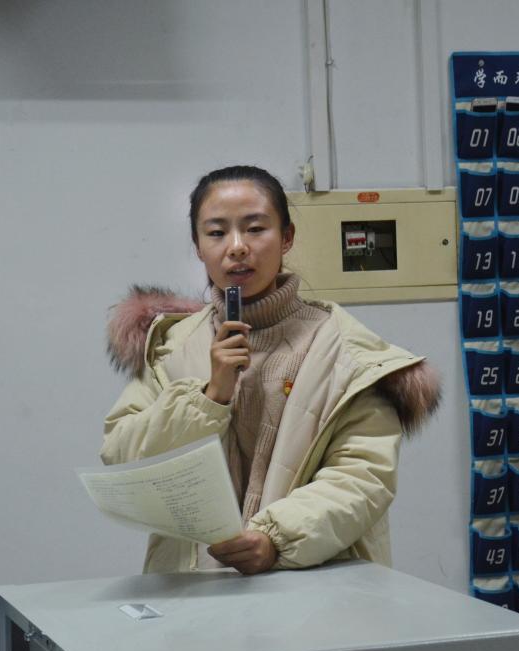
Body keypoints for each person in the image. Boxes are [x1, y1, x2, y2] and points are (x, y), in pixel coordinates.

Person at [102, 165, 440, 575]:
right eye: (216, 232)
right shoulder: (171, 345)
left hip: (312, 583)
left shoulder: (347, 350)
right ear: (198, 247)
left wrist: (275, 539)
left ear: (287, 237)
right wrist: (210, 397)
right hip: (192, 589)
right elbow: (123, 456)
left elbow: (363, 478)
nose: (237, 247)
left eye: (255, 229)